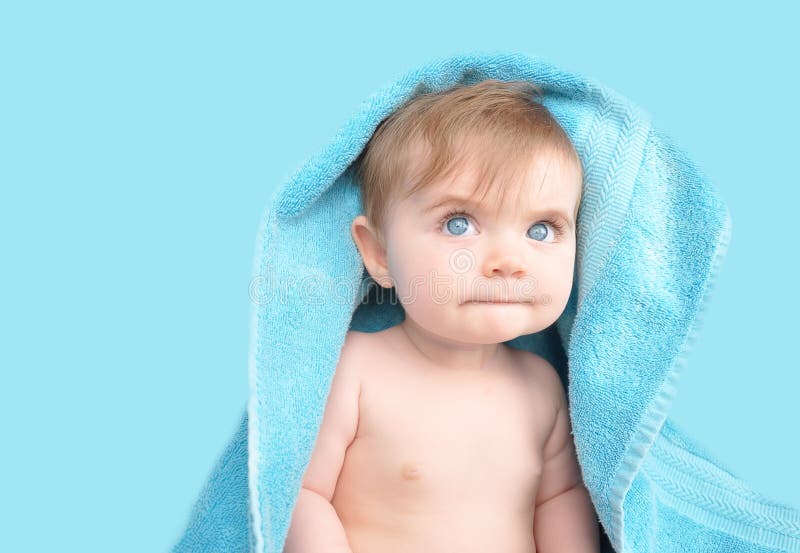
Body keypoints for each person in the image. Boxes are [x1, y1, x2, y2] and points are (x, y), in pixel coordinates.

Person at [283, 79, 600, 553]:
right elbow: (300, 495)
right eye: (459, 224)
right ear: (380, 254)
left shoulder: (543, 386)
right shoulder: (355, 368)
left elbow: (559, 498)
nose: (508, 260)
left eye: (541, 228)